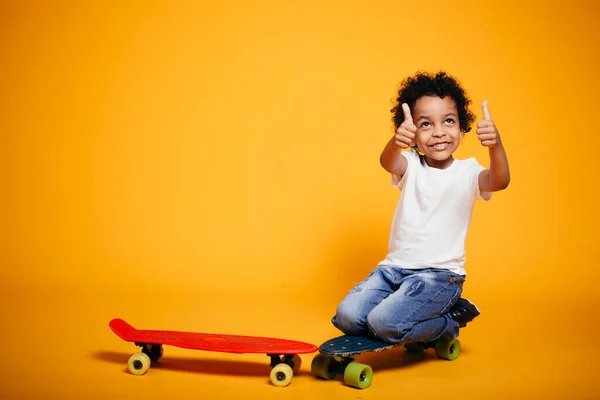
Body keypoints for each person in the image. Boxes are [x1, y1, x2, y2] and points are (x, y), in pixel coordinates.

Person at [331, 71, 510, 344]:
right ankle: (406, 317)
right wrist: (396, 141)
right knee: (347, 317)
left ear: (462, 127)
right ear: (413, 135)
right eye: (425, 125)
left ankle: (448, 323)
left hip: (439, 277)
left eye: (448, 121)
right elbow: (388, 162)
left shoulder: (468, 172)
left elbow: (499, 180)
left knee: (384, 323)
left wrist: (495, 146)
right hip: (392, 271)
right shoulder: (411, 165)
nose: (439, 132)